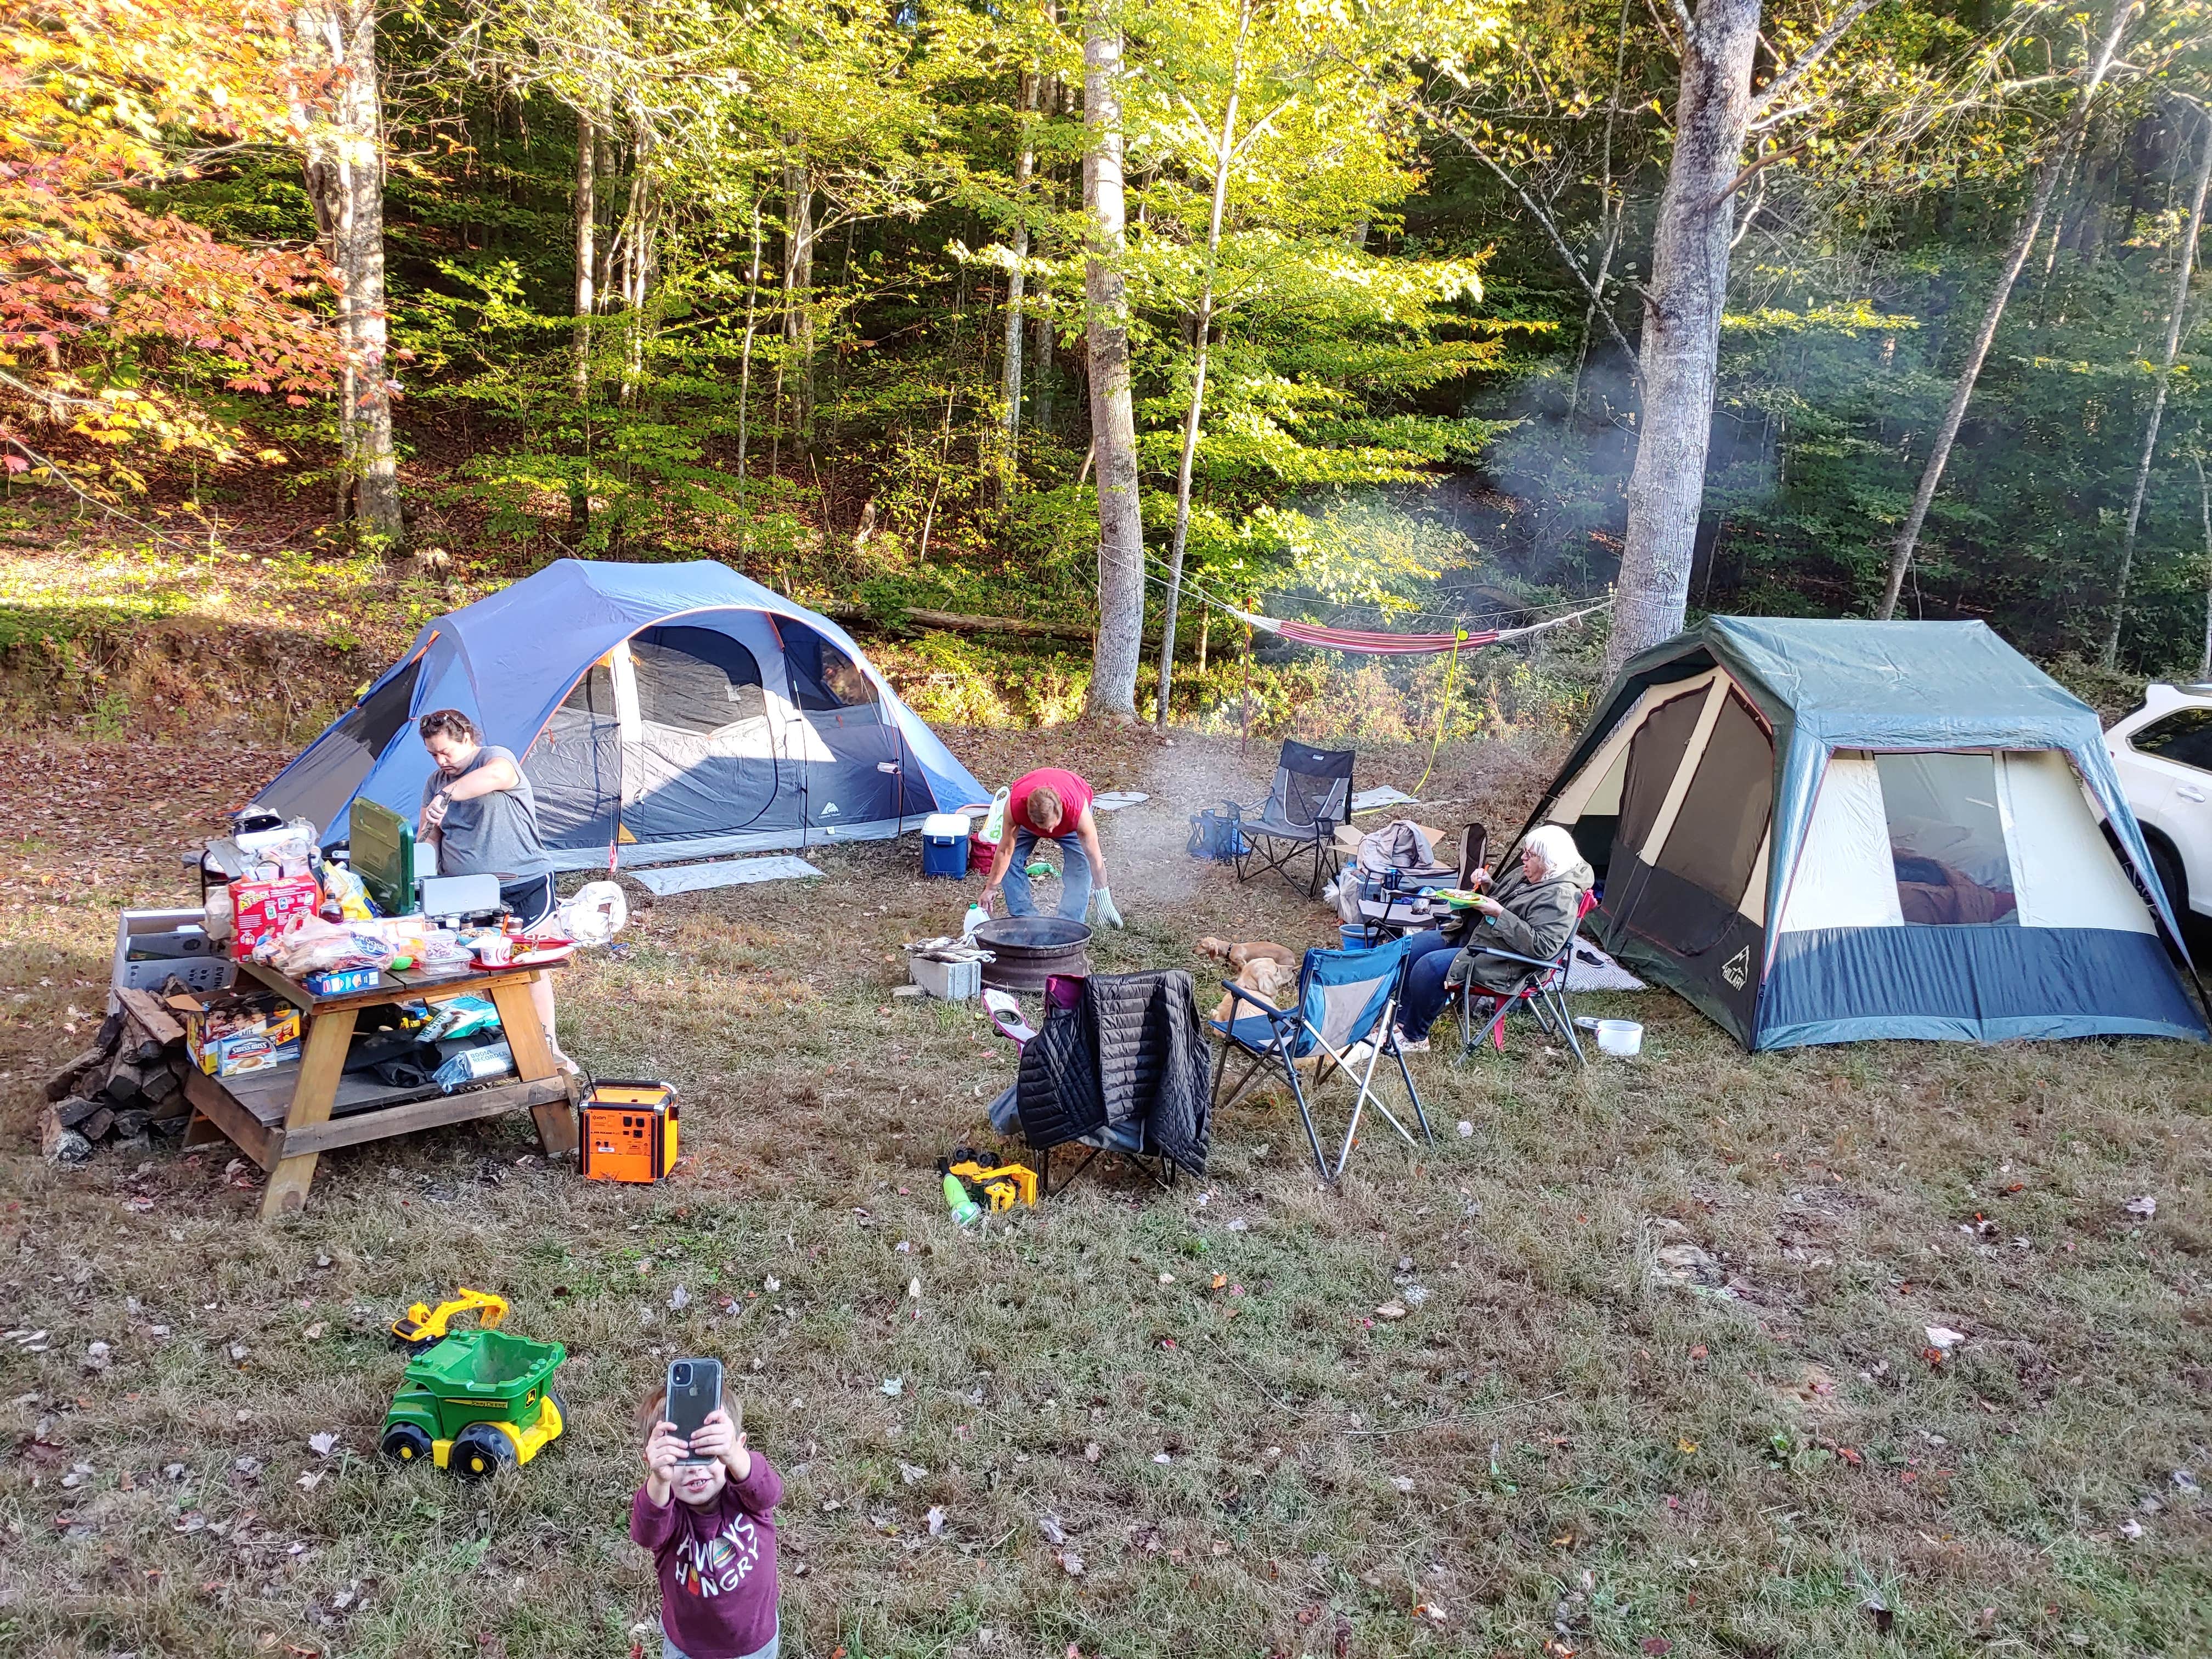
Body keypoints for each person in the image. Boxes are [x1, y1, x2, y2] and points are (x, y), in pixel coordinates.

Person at [414, 708, 574, 1072]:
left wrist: (448, 795)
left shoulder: (495, 758)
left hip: (523, 884)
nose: (441, 761)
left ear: (467, 739)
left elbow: (497, 776)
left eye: (446, 752)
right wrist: (422, 873)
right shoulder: (434, 782)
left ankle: (549, 1047)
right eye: (433, 755)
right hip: (468, 893)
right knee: (489, 967)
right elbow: (431, 835)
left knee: (528, 966)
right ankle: (514, 1036)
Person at [1393, 824, 1593, 1051]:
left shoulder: (1560, 897)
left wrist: (1499, 914)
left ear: (1550, 861)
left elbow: (1543, 947)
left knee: (1430, 967)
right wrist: (1489, 886)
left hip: (1508, 962)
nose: (1523, 858)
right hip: (1483, 938)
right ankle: (1400, 1022)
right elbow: (1515, 905)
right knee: (1413, 947)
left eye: (1530, 855)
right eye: (1524, 852)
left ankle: (1414, 1037)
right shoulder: (1534, 873)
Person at [633, 1384, 783, 1659]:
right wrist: (660, 1480)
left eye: (707, 1451)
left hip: (756, 1642)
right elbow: (646, 1533)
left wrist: (734, 1458)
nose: (693, 1466)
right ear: (654, 1462)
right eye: (679, 1456)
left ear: (736, 1449)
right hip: (688, 1648)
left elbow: (770, 1491)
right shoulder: (667, 1509)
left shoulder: (746, 1492)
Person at [980, 766, 1125, 928]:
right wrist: (991, 888)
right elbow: (1005, 851)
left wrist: (1103, 896)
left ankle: (1070, 925)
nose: (1050, 832)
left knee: (1080, 865)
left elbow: (1094, 856)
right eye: (1044, 827)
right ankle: (1026, 920)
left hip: (1069, 820)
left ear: (1060, 810)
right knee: (1011, 861)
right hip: (1030, 821)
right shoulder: (1015, 807)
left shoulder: (1077, 811)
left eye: (1052, 826)